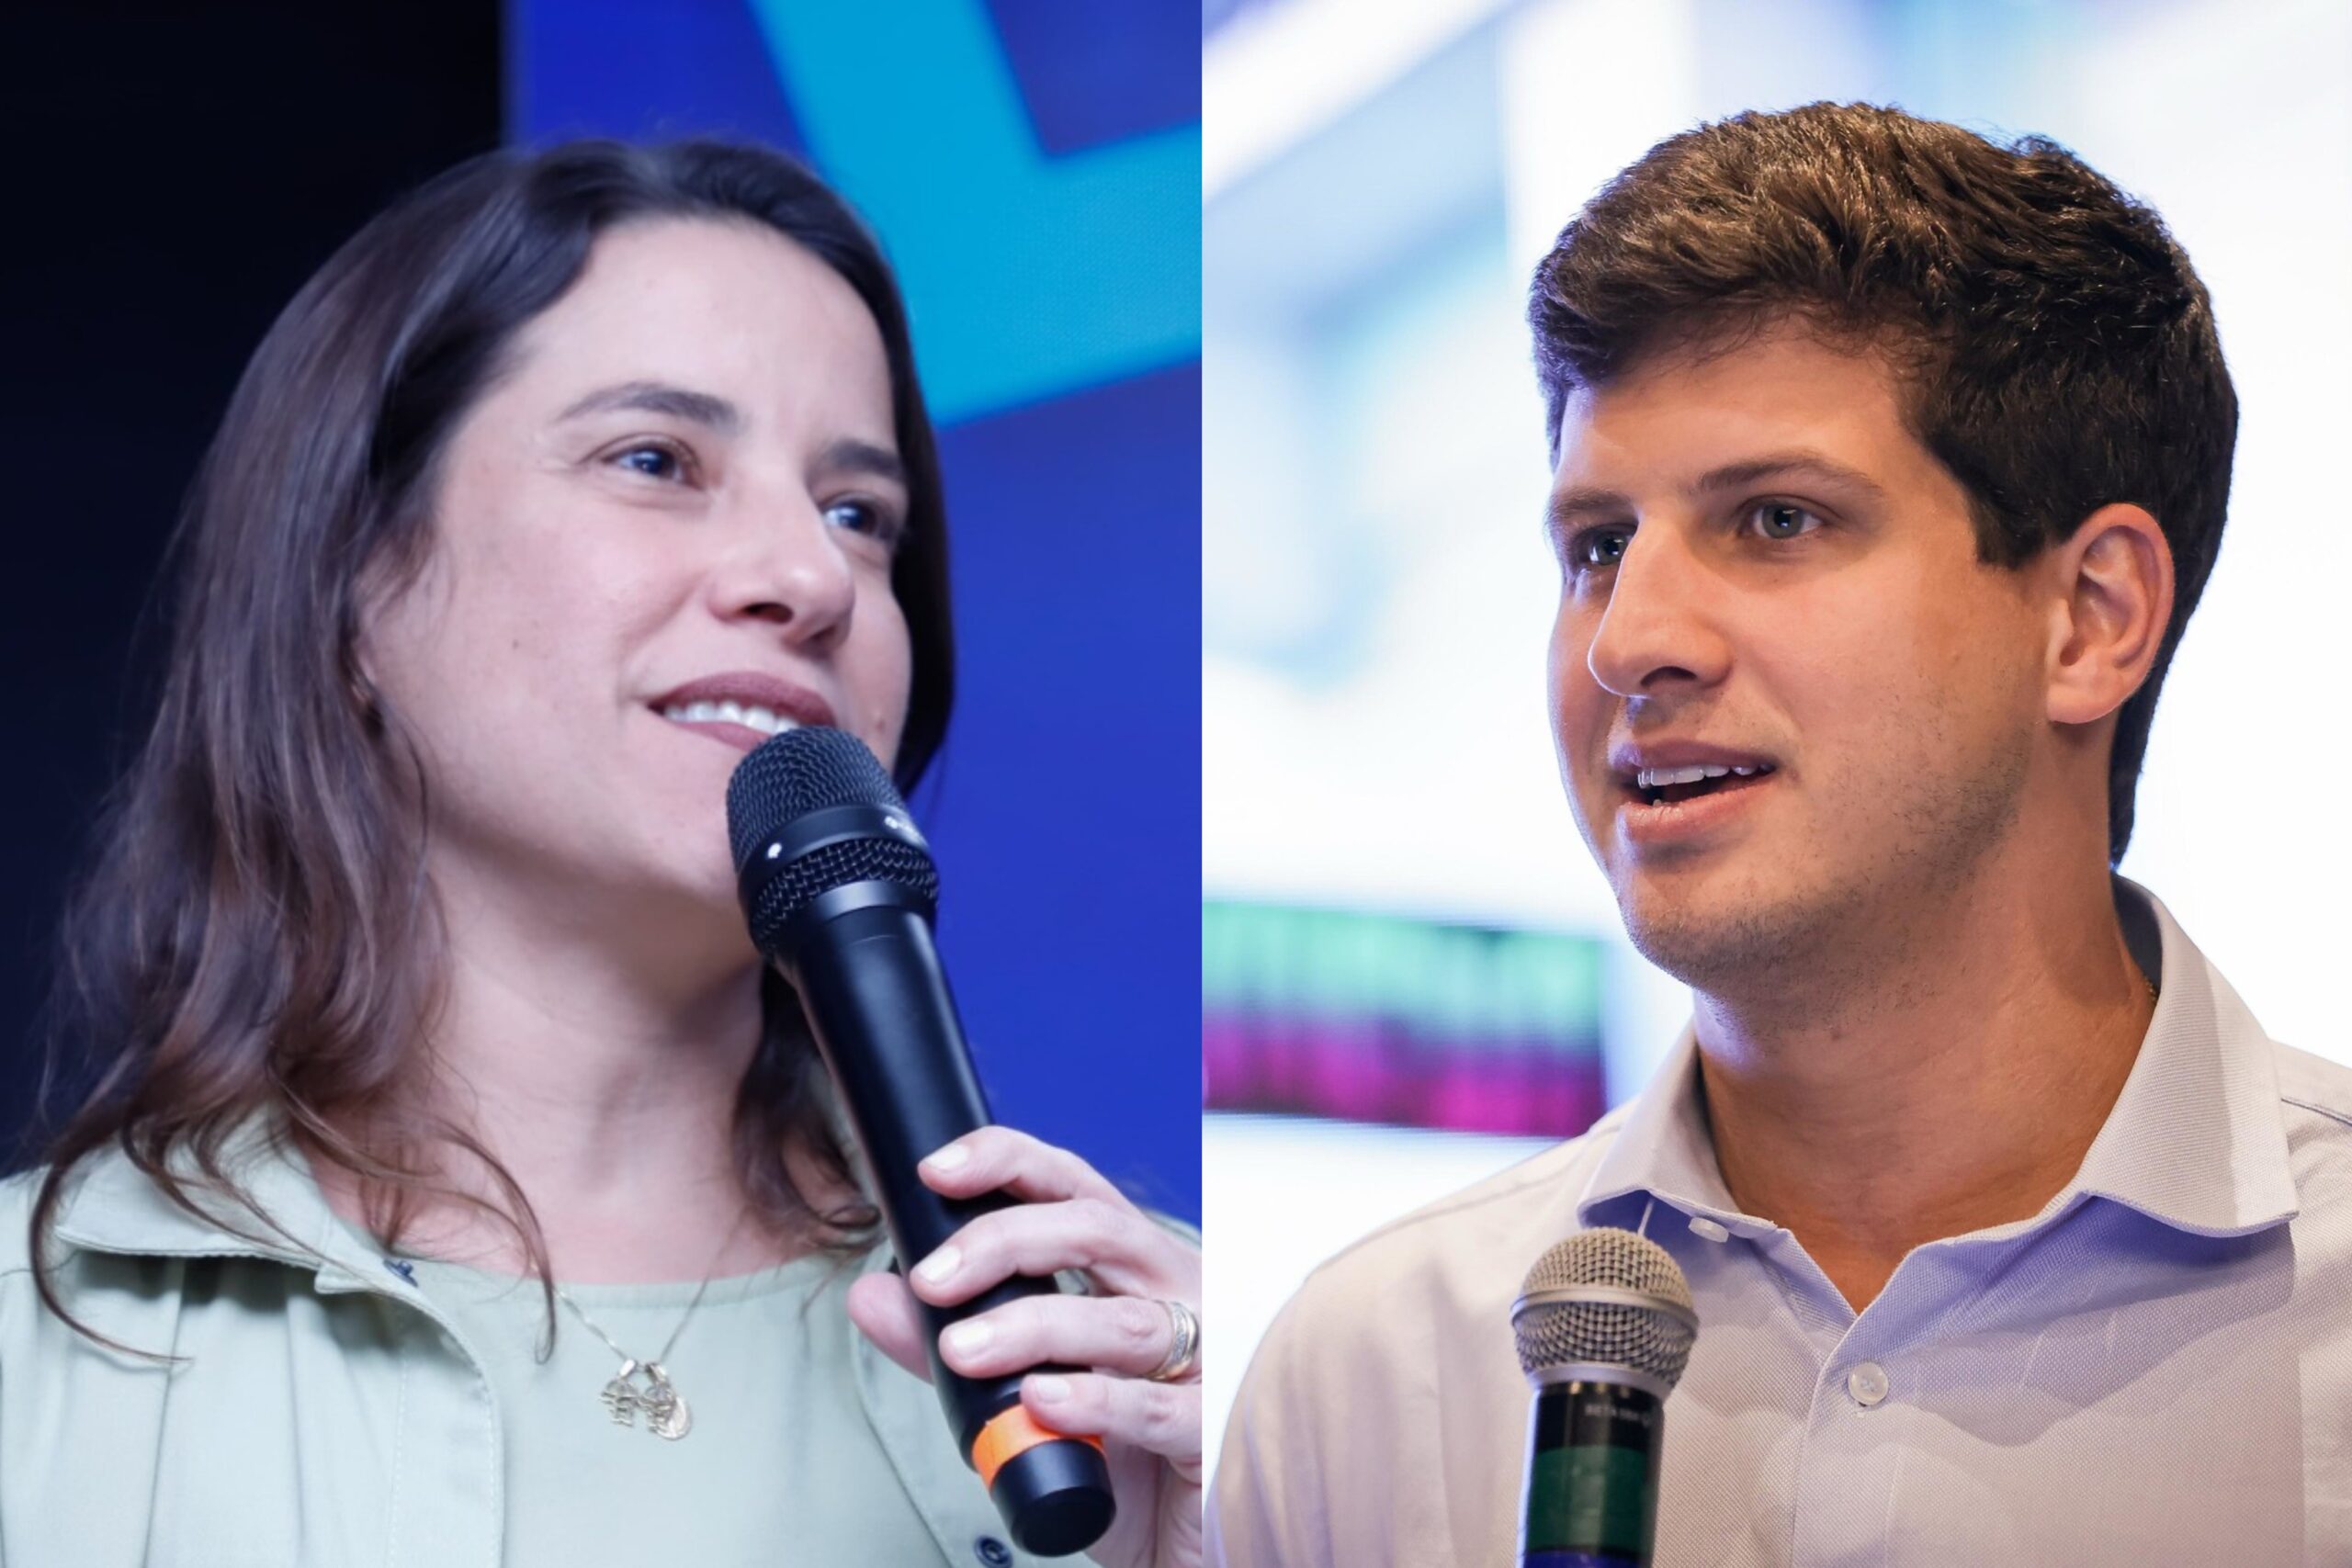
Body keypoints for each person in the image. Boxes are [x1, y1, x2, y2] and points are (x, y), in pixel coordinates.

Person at [3, 138, 1202, 1568]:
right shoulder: (32, 1340)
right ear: (354, 581)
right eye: (655, 462)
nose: (811, 577)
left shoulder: (1147, 1376)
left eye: (858, 515)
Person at [1208, 102, 2351, 1566]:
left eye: (1776, 522)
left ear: (2088, 618)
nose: (1630, 640)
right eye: (1598, 546)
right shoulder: (1366, 1379)